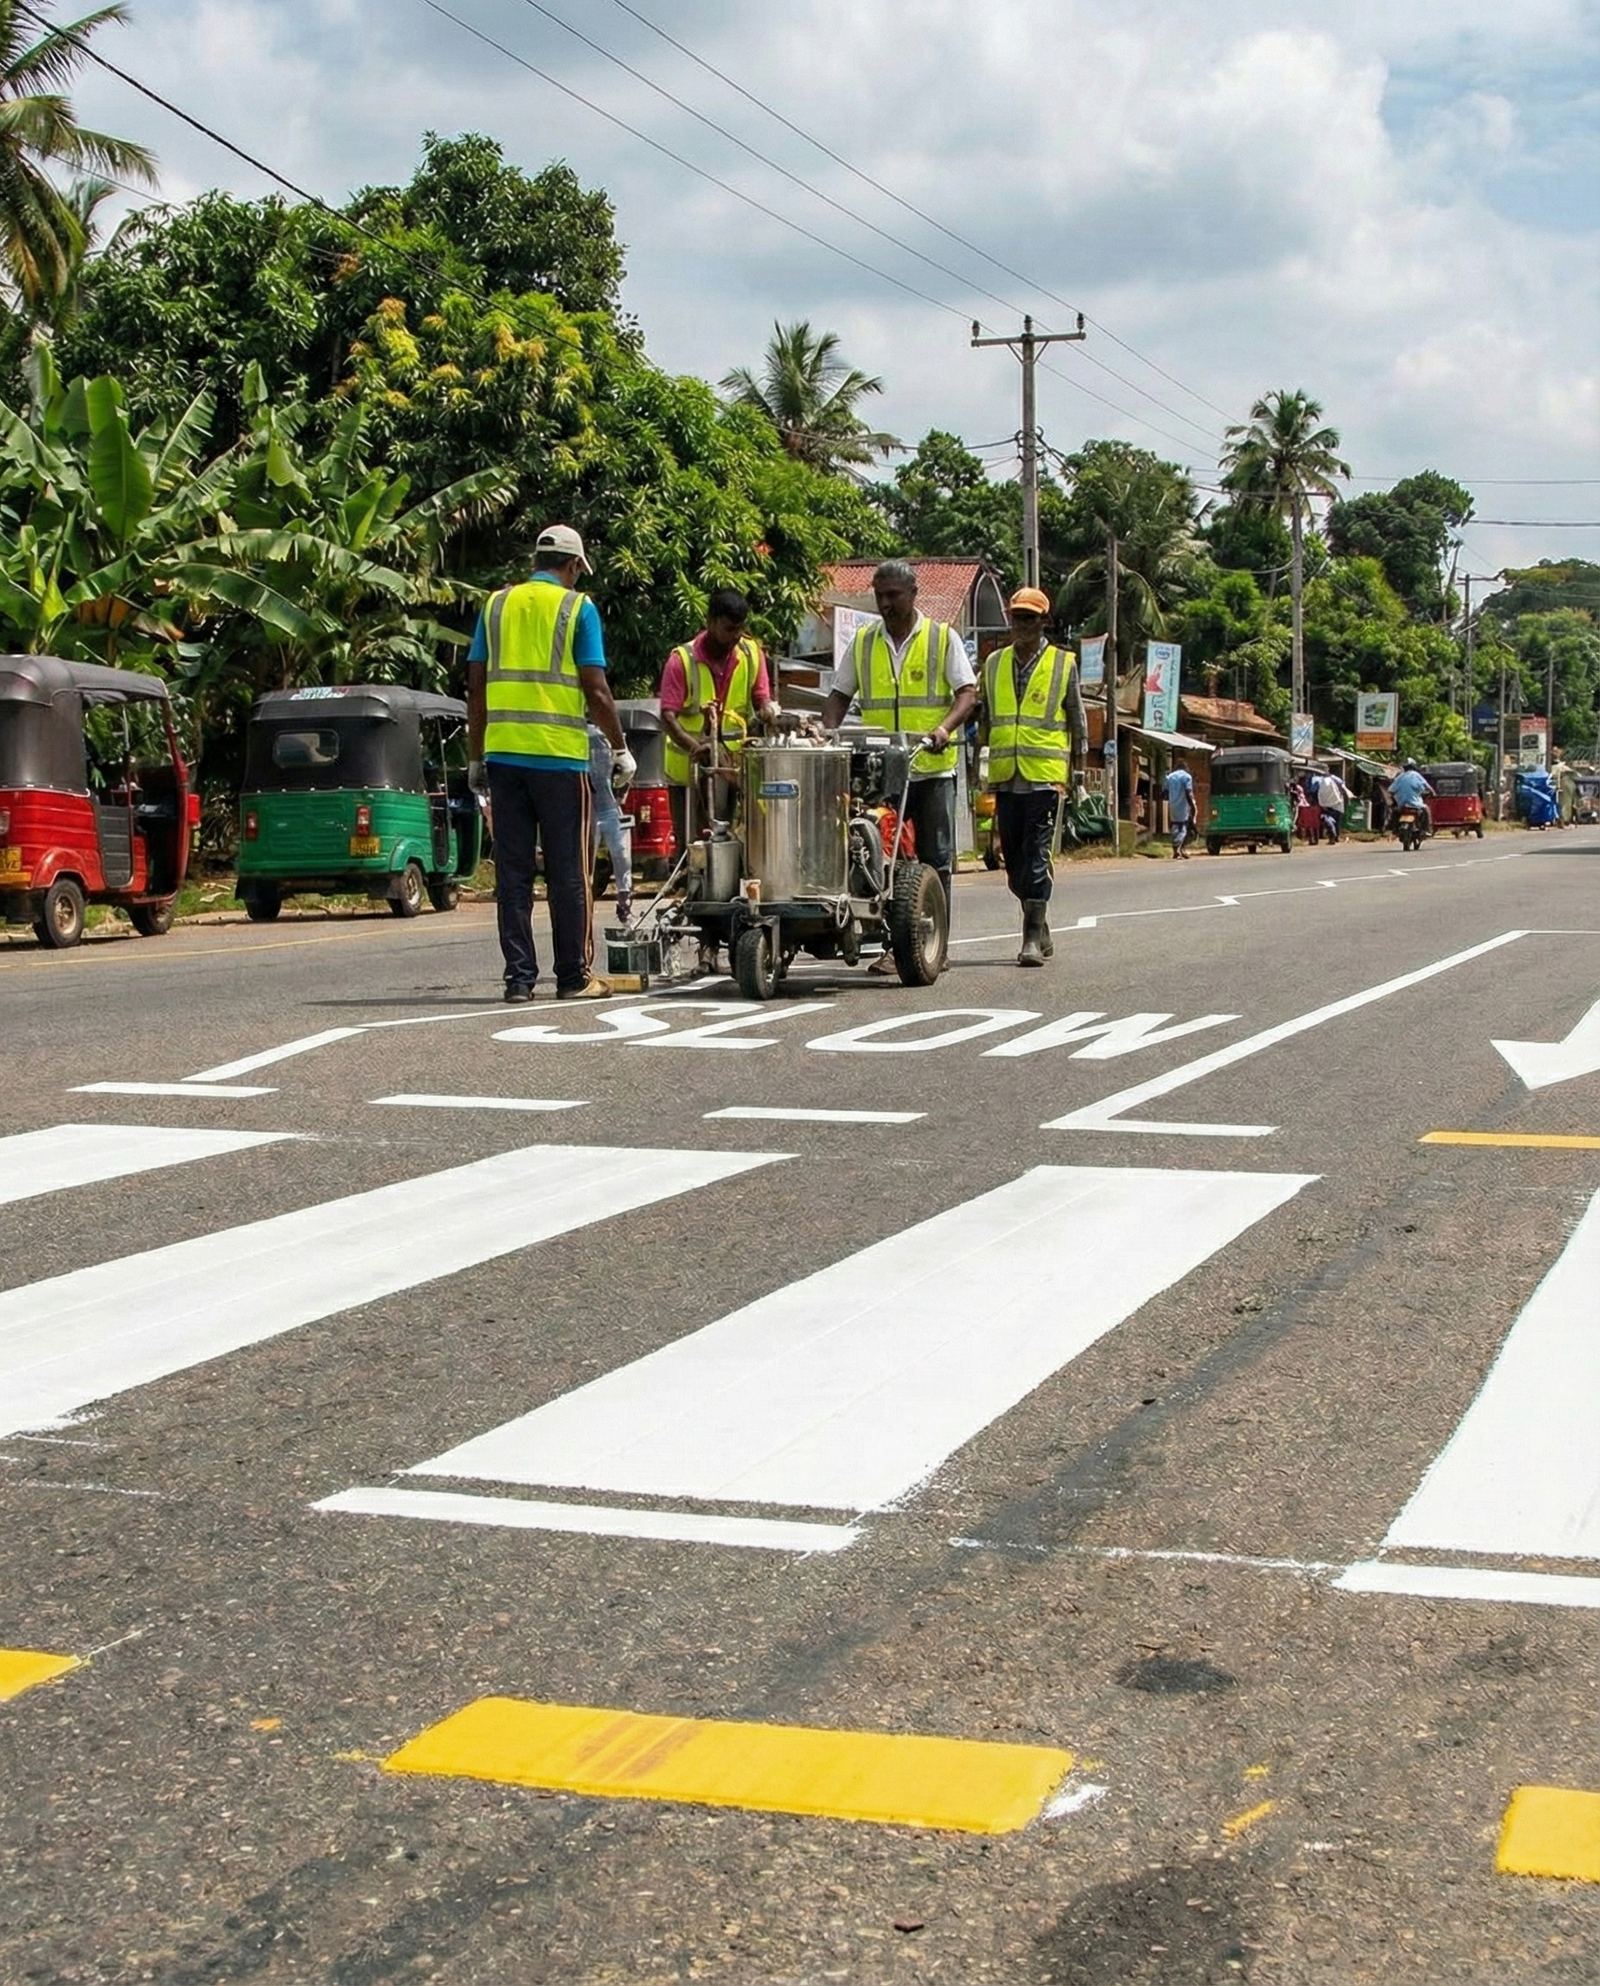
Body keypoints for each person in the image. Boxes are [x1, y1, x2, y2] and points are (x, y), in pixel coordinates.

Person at [466, 523, 635, 1003]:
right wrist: (619, 748)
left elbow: (476, 687)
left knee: (513, 873)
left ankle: (519, 980)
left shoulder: (495, 605)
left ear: (535, 563)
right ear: (574, 565)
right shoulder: (578, 608)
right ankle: (573, 977)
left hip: (503, 758)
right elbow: (596, 690)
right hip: (559, 759)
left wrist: (476, 756)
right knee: (569, 872)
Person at [821, 559, 978, 970]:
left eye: (893, 595)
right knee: (881, 856)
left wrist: (943, 729)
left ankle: (935, 944)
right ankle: (896, 944)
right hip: (879, 772)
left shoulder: (943, 638)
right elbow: (839, 695)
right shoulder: (865, 641)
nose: (886, 603)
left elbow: (966, 693)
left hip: (929, 768)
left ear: (913, 594)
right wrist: (828, 733)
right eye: (880, 595)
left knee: (933, 857)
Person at [979, 586, 1085, 964]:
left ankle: (1029, 942)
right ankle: (1040, 926)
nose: (1021, 624)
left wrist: (1079, 771)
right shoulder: (992, 664)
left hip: (1045, 776)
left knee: (1037, 855)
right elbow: (986, 720)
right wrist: (982, 771)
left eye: (1029, 618)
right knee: (1013, 864)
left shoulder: (1062, 663)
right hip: (1008, 776)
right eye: (1016, 617)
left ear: (1043, 621)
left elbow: (1077, 718)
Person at [659, 588, 780, 854]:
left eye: (739, 629)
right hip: (689, 776)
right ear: (710, 621)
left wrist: (768, 712)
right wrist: (695, 747)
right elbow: (667, 716)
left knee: (739, 845)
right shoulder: (682, 661)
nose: (735, 637)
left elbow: (761, 698)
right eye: (728, 629)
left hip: (737, 772)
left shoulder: (750, 653)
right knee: (694, 851)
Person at [587, 722, 632, 923]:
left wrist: (621, 792)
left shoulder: (615, 743)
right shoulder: (580, 741)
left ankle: (624, 898)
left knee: (621, 852)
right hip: (589, 809)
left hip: (610, 806)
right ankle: (585, 900)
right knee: (586, 856)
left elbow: (628, 770)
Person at [1387, 757, 1434, 838]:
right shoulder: (1417, 775)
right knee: (1426, 810)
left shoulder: (1400, 777)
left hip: (1402, 805)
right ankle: (1427, 830)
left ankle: (1393, 829)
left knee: (1394, 813)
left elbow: (1391, 790)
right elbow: (1427, 786)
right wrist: (1433, 792)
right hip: (1416, 804)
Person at [1164, 760, 1196, 858]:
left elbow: (1165, 791)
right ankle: (1178, 846)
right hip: (1183, 805)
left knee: (1175, 826)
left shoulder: (1170, 777)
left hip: (1173, 805)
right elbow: (1188, 792)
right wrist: (1192, 805)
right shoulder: (1186, 777)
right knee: (1184, 827)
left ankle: (1176, 851)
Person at [1316, 765, 1350, 843]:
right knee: (1337, 822)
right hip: (1338, 803)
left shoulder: (1320, 780)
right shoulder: (1336, 779)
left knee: (1328, 820)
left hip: (1325, 804)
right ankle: (1336, 837)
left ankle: (1332, 836)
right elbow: (1343, 787)